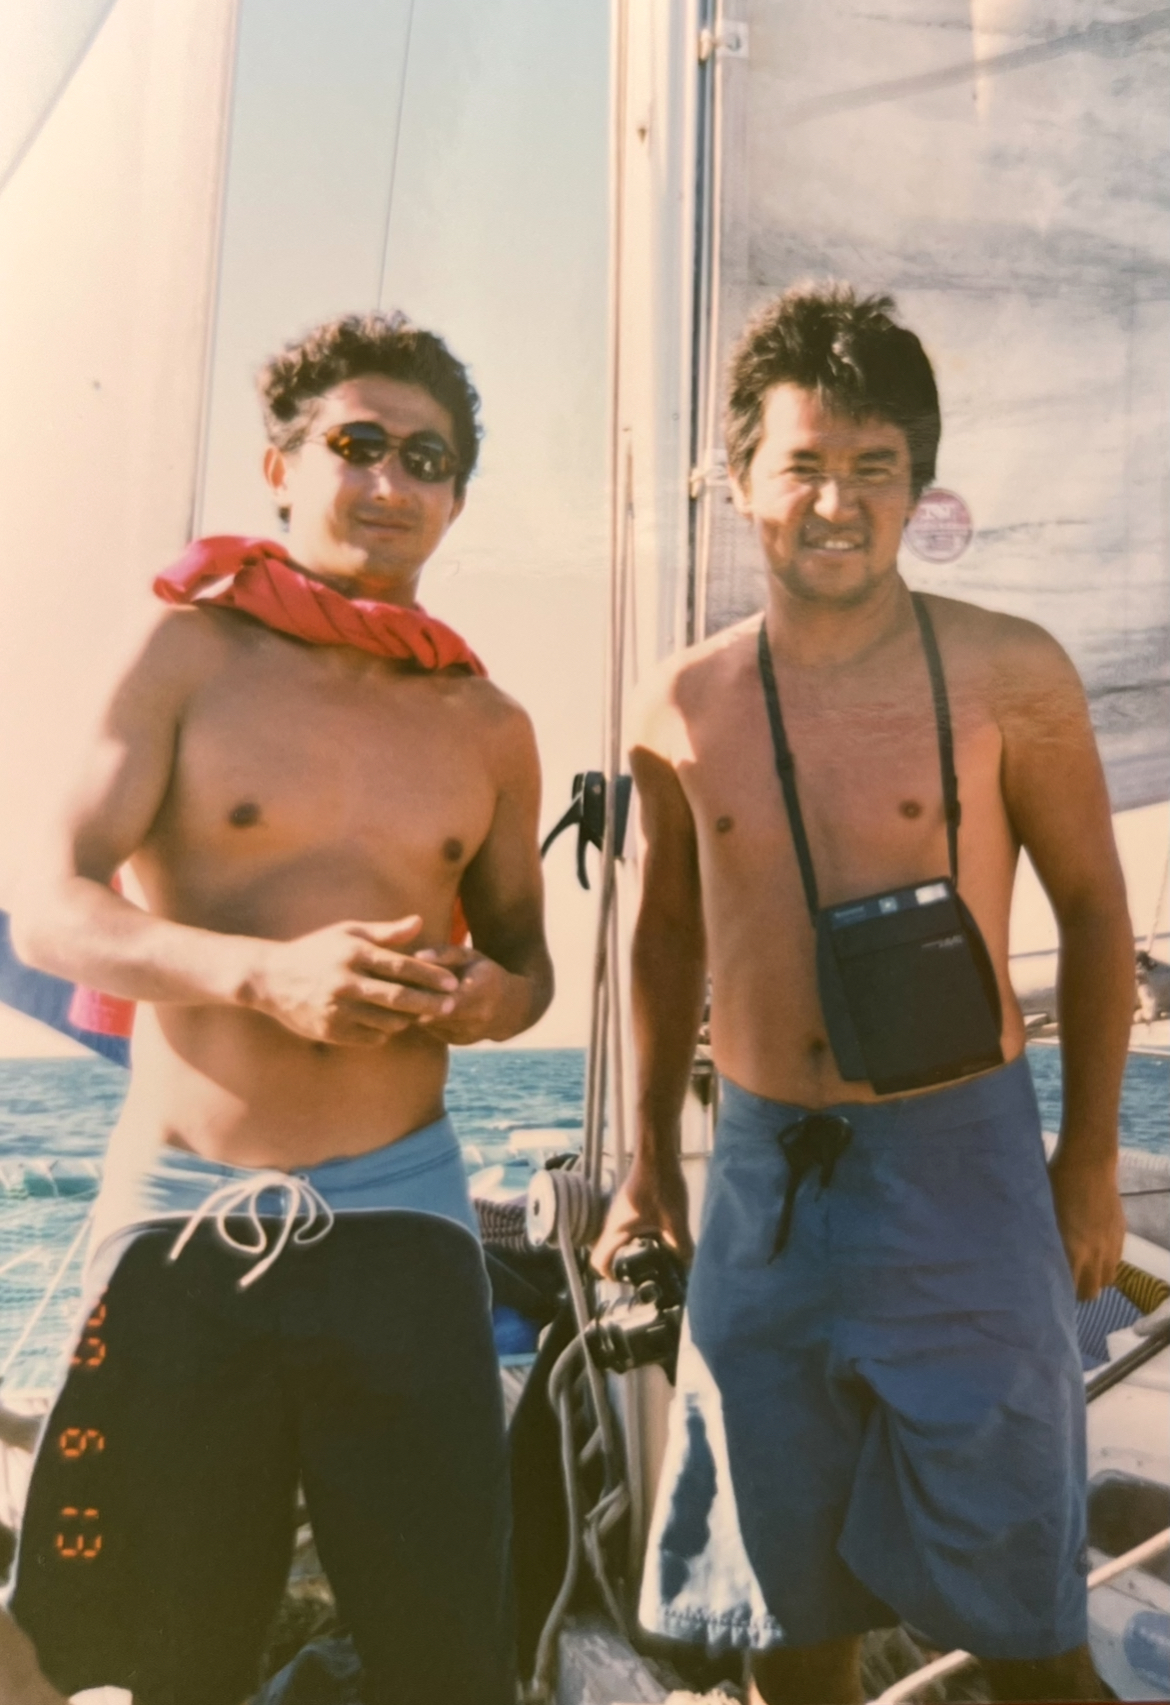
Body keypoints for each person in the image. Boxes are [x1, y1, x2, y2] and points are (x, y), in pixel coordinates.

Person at [593, 284, 1132, 1704]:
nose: (836, 503)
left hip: (963, 1167)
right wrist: (648, 1164)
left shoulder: (1009, 670)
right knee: (781, 1618)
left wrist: (1085, 1156)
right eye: (803, 465)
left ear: (918, 487)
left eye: (873, 468)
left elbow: (1093, 912)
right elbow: (663, 939)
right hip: (763, 1178)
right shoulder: (679, 702)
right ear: (738, 483)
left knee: (1028, 1622)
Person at [7, 311, 552, 1705]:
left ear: (456, 497)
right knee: (167, 1656)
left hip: (403, 1214)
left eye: (425, 458)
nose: (389, 481)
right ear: (280, 467)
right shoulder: (186, 651)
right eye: (357, 444)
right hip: (188, 1208)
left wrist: (488, 998)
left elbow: (527, 965)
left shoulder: (488, 724)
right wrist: (263, 973)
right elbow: (54, 907)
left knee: (448, 1658)